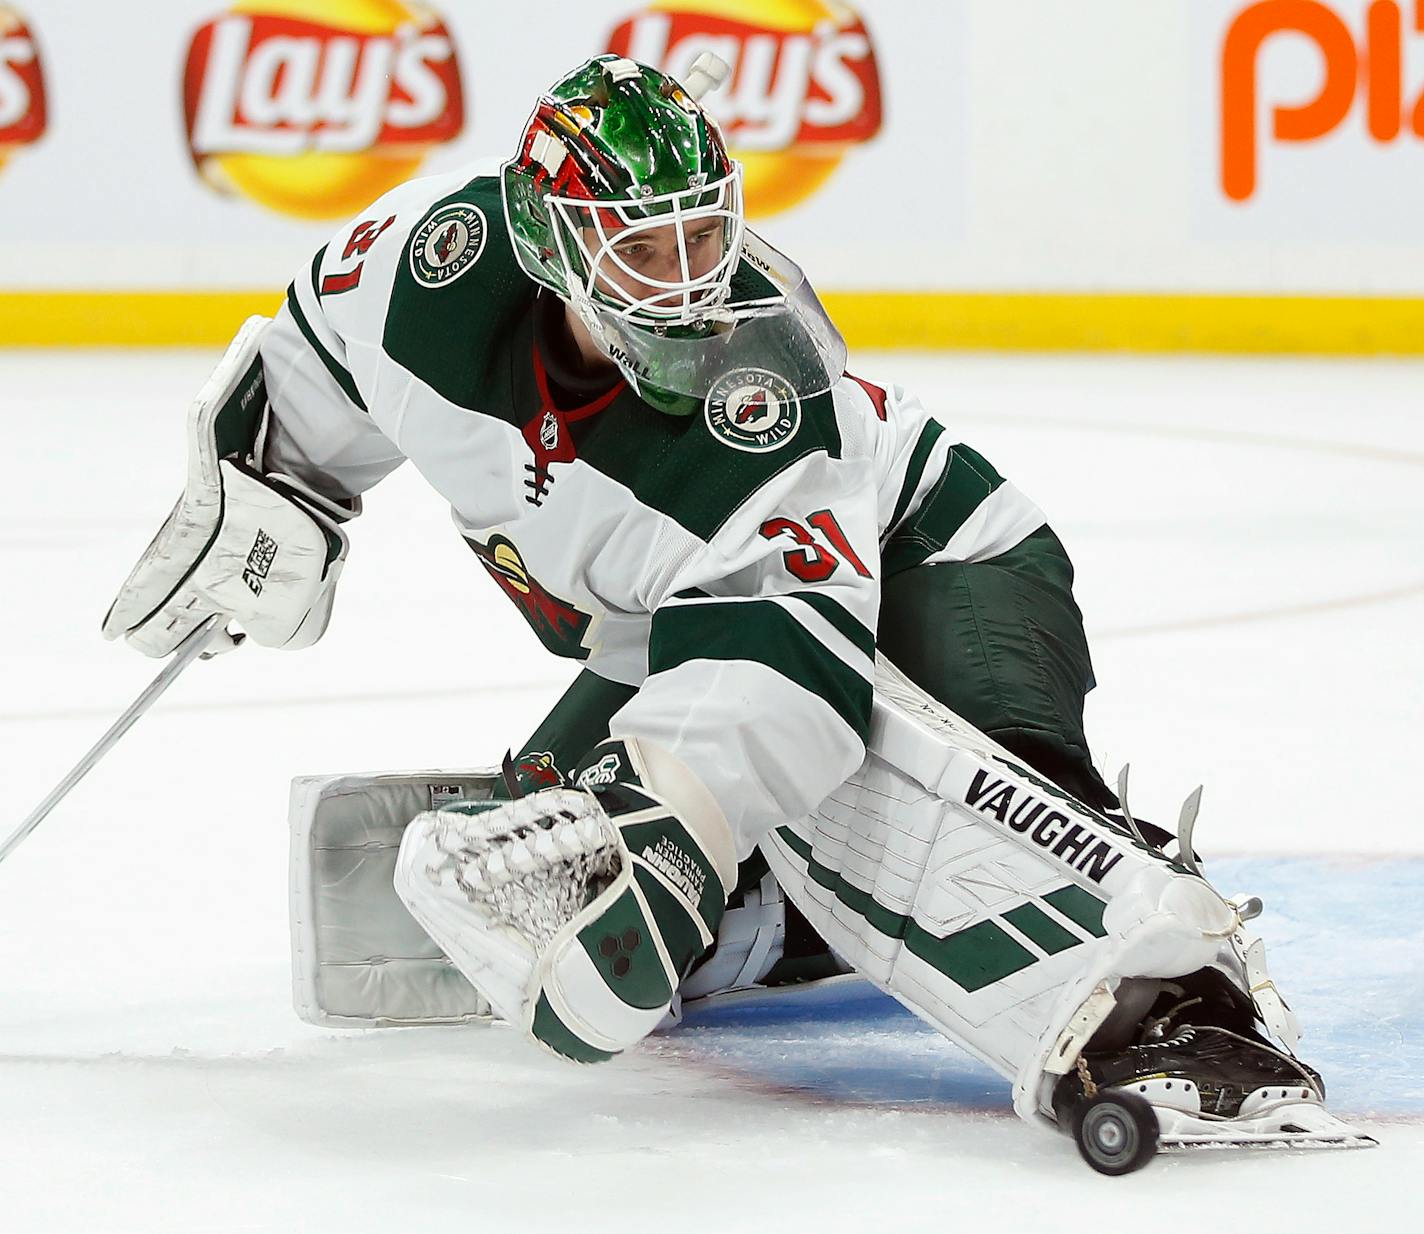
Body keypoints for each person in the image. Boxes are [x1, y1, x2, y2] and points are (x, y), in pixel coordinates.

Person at [103, 55, 1359, 1171]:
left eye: (703, 236)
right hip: (703, 620)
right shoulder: (428, 269)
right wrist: (272, 495)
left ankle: (1185, 1002)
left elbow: (788, 669)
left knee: (963, 814)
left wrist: (678, 825)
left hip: (937, 566)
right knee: (568, 849)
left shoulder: (755, 380)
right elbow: (312, 354)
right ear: (548, 246)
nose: (689, 280)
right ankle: (776, 918)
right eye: (642, 250)